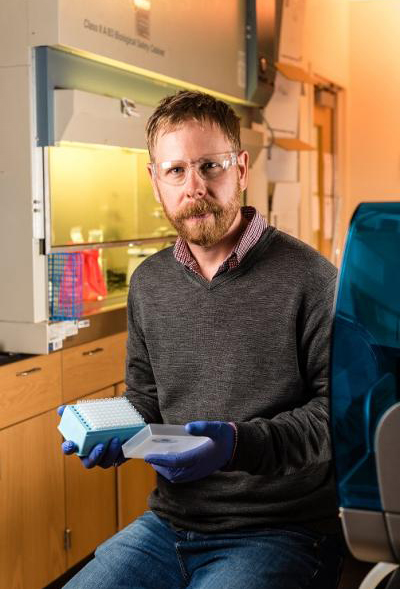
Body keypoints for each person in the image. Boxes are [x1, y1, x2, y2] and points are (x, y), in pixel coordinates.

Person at [60, 90, 344, 588]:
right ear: (155, 181)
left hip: (282, 531)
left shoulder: (313, 278)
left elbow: (334, 417)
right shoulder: (150, 284)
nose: (194, 187)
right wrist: (111, 432)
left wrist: (235, 445)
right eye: (176, 171)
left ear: (241, 168)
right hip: (171, 525)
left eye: (210, 166)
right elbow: (147, 401)